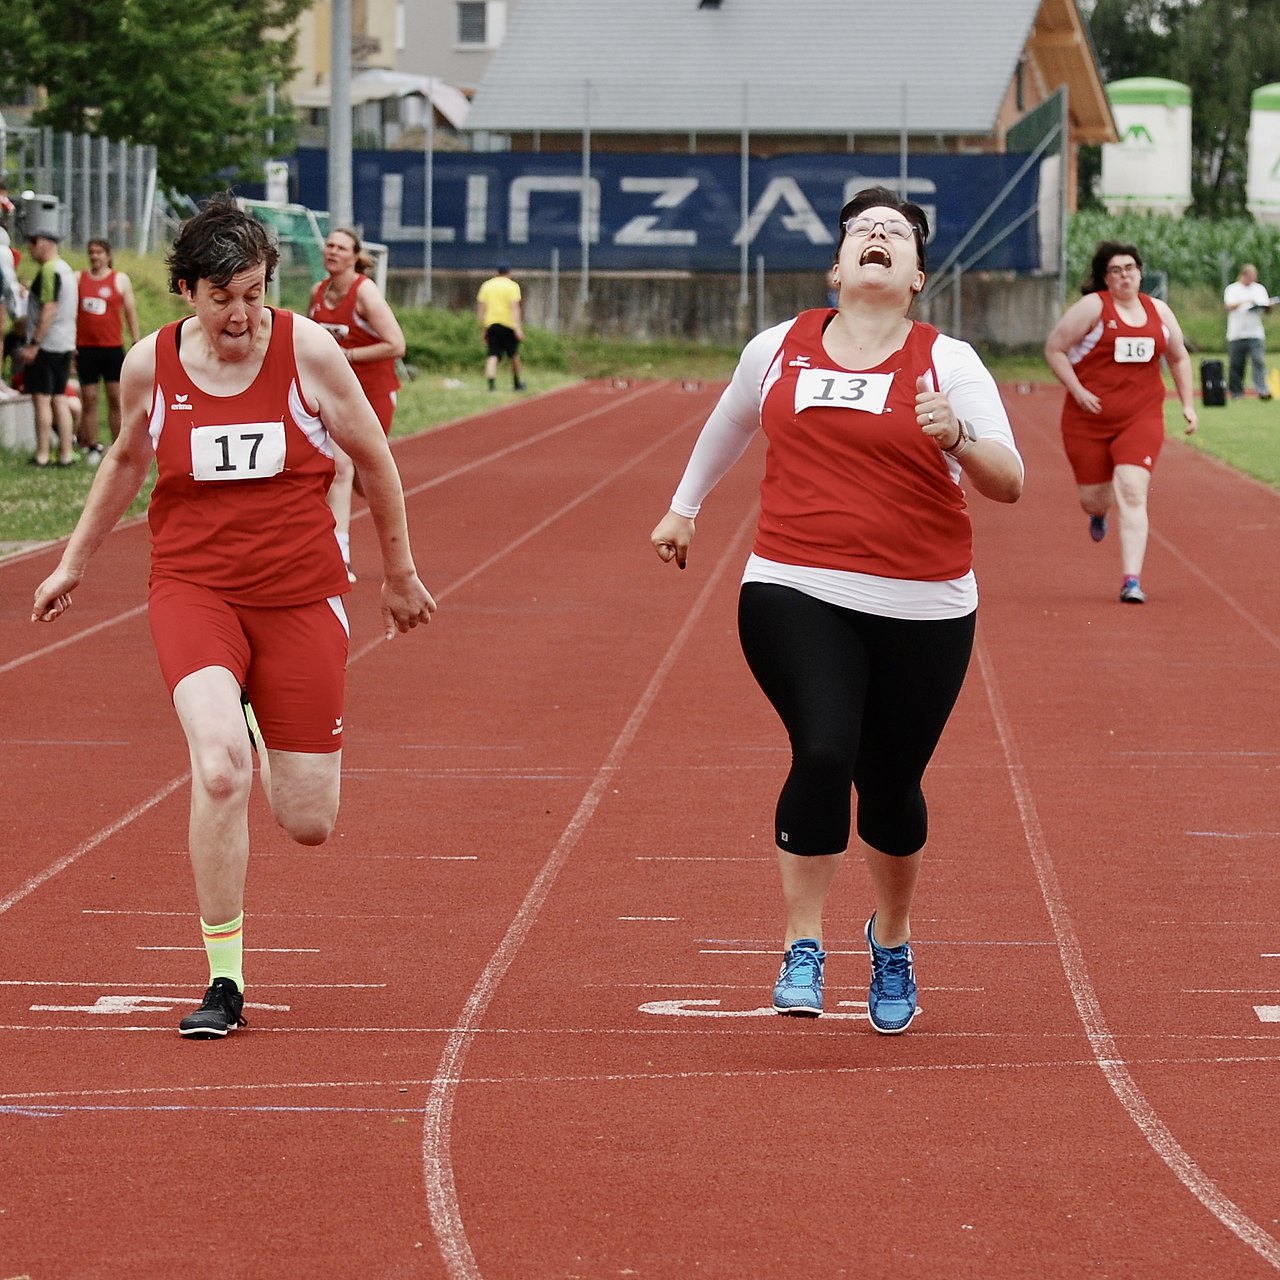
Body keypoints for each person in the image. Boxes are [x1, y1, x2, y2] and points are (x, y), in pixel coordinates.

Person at [31, 195, 436, 1040]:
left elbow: (374, 456)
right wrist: (73, 561)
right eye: (223, 298)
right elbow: (125, 458)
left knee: (308, 820)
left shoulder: (309, 351)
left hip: (298, 594)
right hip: (194, 590)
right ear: (186, 291)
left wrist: (399, 572)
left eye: (254, 293)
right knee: (218, 768)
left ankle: (258, 709)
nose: (242, 315)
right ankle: (225, 979)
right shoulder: (153, 365)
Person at [650, 186, 1023, 1035]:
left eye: (896, 234)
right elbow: (728, 426)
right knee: (824, 748)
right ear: (838, 264)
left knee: (890, 787)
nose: (879, 238)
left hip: (926, 602)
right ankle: (802, 945)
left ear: (918, 276)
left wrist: (957, 436)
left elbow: (1010, 480)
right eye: (864, 231)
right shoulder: (778, 348)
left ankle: (890, 939)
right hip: (794, 582)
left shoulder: (948, 363)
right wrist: (685, 508)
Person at [1044, 240, 1197, 605]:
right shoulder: (1092, 308)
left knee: (1131, 488)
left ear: (1140, 272)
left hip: (1141, 416)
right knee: (1093, 500)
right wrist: (1078, 390)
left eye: (1130, 268)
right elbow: (1054, 348)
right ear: (1105, 278)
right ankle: (1099, 515)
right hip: (1089, 419)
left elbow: (1178, 357)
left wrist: (1188, 405)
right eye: (1116, 270)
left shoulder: (1159, 311)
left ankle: (1132, 580)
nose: (1125, 275)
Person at [307, 227, 406, 582]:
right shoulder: (317, 293)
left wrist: (347, 354)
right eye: (329, 246)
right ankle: (340, 555)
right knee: (340, 465)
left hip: (373, 391)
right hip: (334, 393)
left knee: (366, 469)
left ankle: (391, 501)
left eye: (341, 247)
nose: (332, 251)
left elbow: (396, 345)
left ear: (355, 256)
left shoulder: (366, 294)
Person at [75, 237, 141, 463]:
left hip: (112, 348)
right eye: (91, 252)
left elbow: (130, 311)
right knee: (90, 398)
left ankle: (118, 444)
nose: (95, 256)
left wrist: (135, 340)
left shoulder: (119, 280)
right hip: (85, 348)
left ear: (108, 255)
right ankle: (92, 445)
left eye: (99, 252)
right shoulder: (79, 278)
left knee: (115, 398)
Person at [19, 228, 79, 466]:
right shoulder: (66, 269)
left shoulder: (49, 270)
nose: (30, 248)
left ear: (45, 244)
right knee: (59, 398)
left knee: (42, 400)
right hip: (64, 342)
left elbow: (49, 308)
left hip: (47, 344)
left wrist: (34, 343)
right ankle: (65, 453)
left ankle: (42, 453)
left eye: (33, 242)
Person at [1223, 263, 1274, 401]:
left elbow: (1266, 309)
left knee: (1258, 361)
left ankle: (1262, 390)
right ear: (1243, 275)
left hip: (1255, 332)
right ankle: (1236, 393)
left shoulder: (1259, 289)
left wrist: (1269, 306)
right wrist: (1245, 301)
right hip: (1236, 333)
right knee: (1236, 364)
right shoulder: (1232, 289)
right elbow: (1229, 305)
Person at [476, 261, 525, 392]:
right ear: (509, 273)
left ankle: (491, 385)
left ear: (496, 273)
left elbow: (481, 308)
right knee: (513, 354)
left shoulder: (486, 286)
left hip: (491, 324)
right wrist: (518, 328)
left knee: (492, 355)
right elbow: (515, 307)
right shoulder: (512, 286)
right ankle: (517, 382)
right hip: (508, 324)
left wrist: (482, 327)